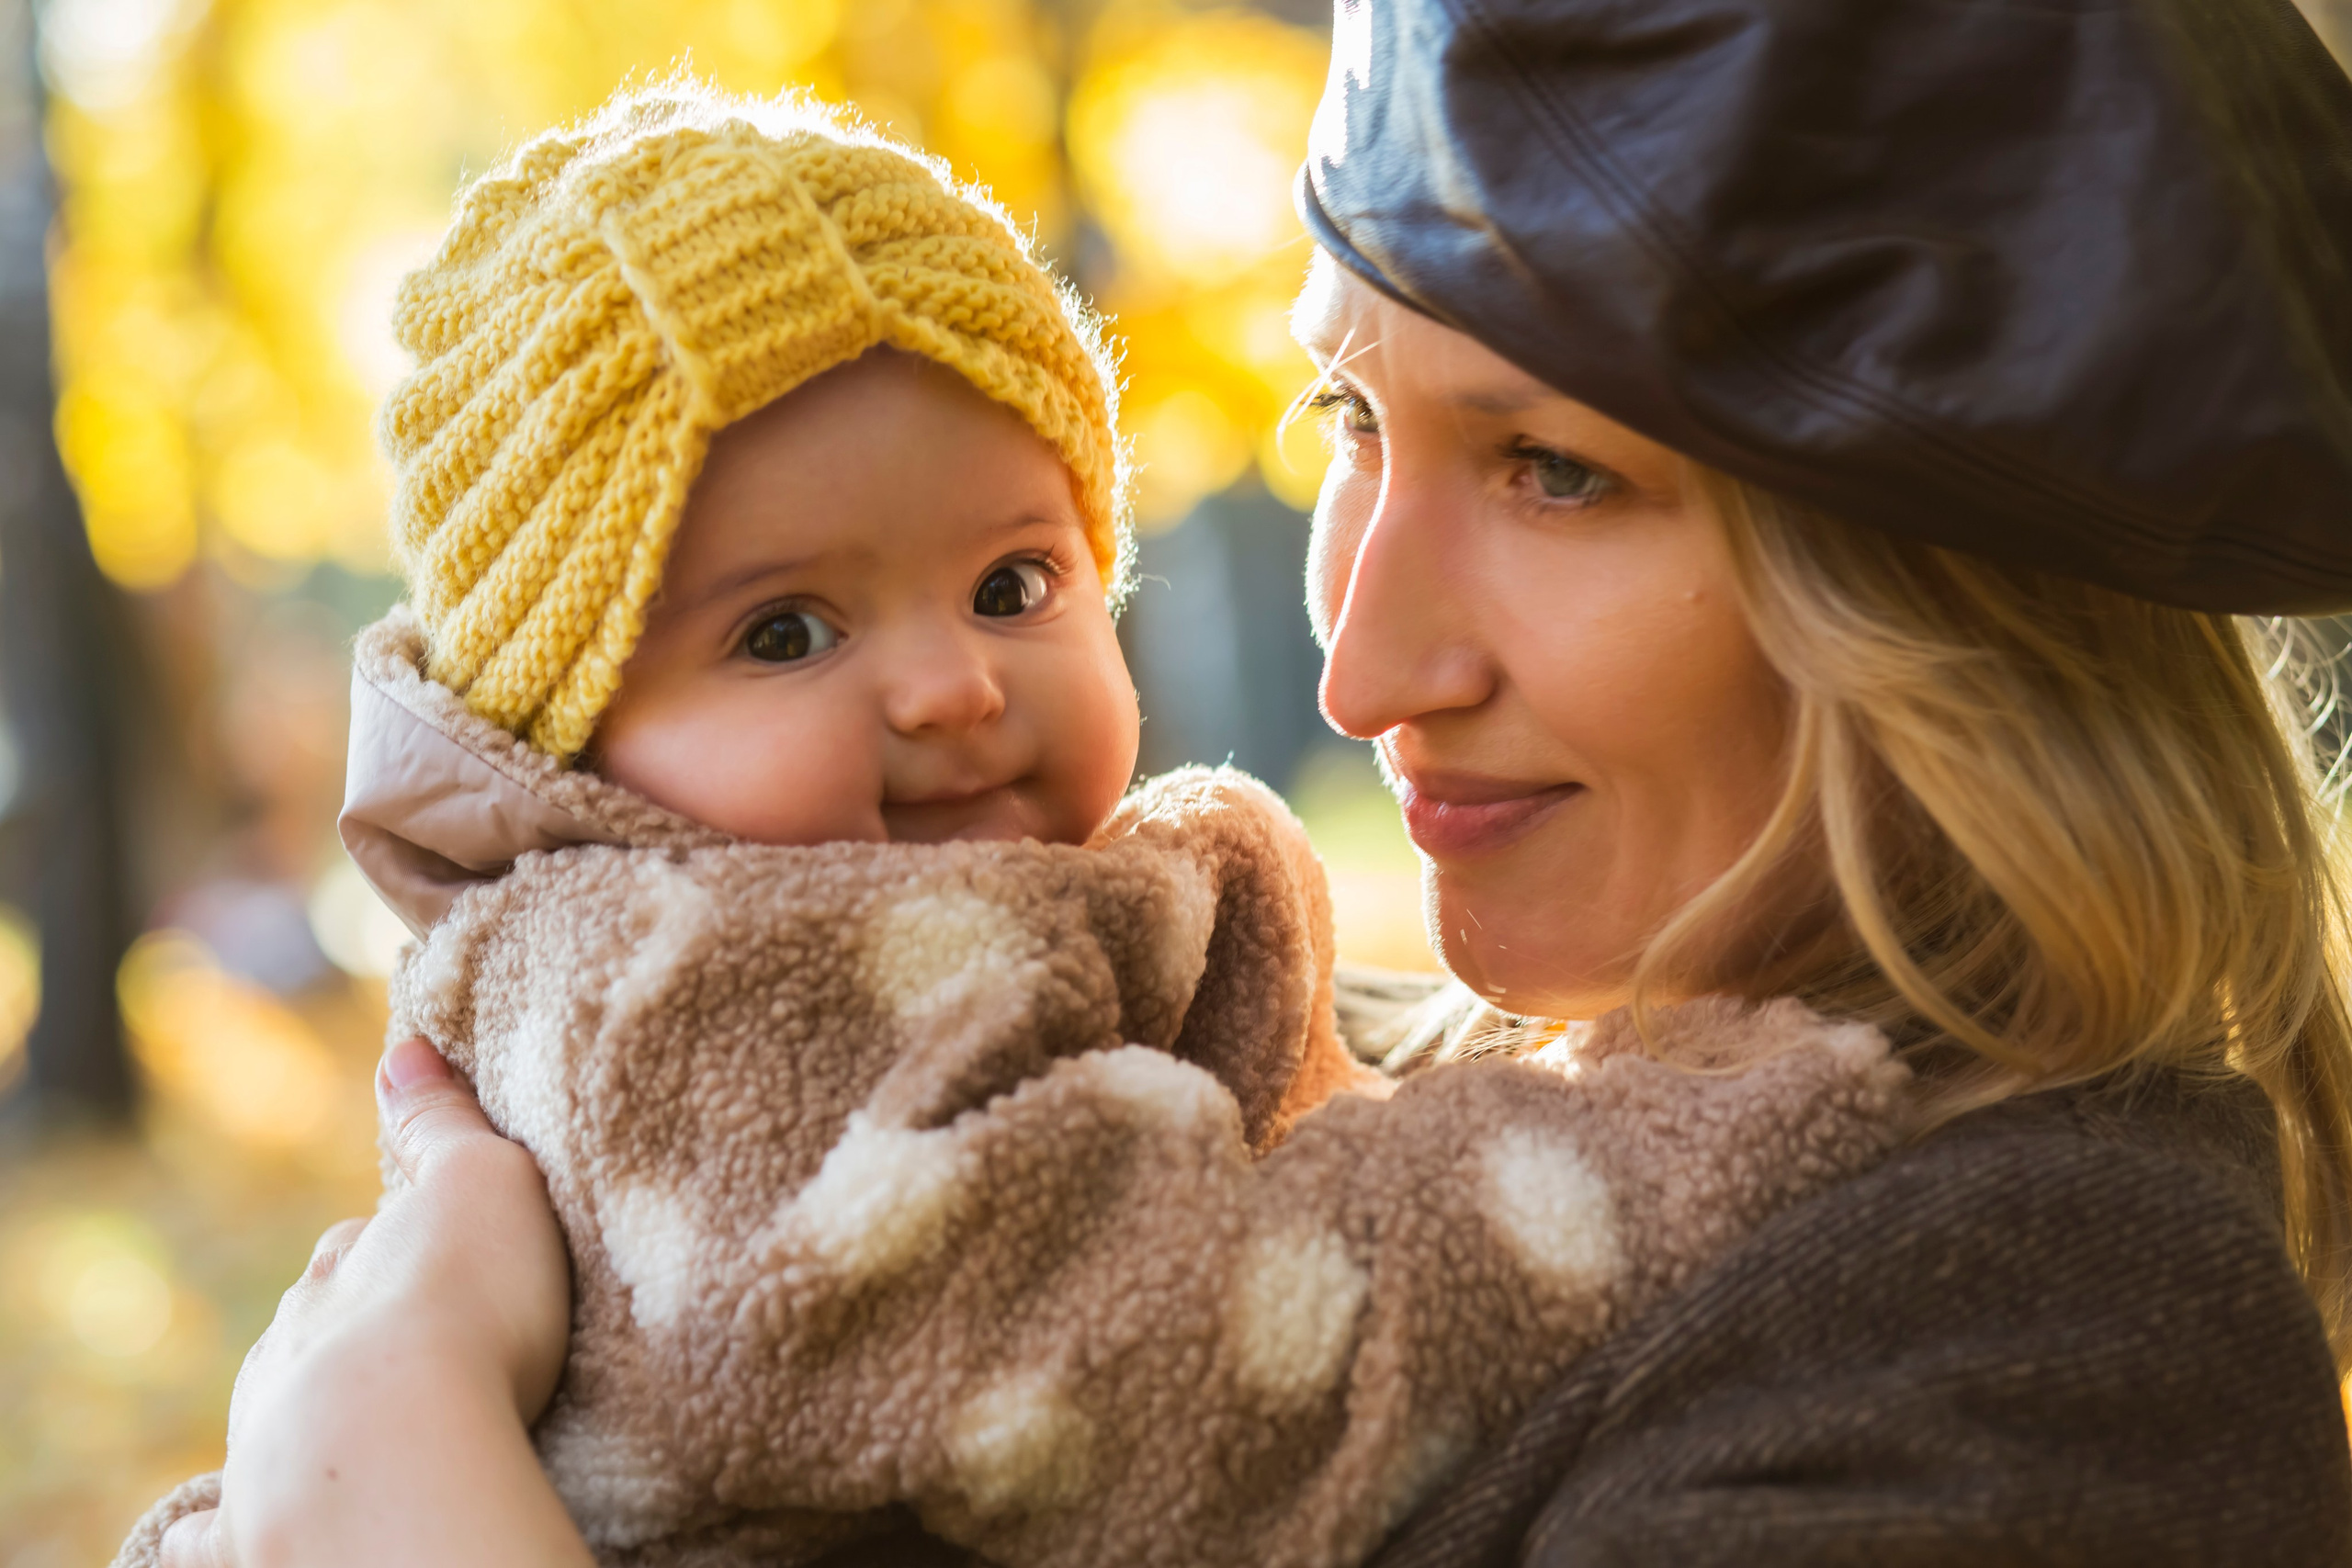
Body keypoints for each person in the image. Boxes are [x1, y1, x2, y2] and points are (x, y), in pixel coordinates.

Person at [158, 0, 2352, 1563]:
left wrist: (390, 1477)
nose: (1361, 650)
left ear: (1948, 596)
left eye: (1558, 469)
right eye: (1349, 422)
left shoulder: (2037, 1332)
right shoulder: (1347, 1088)